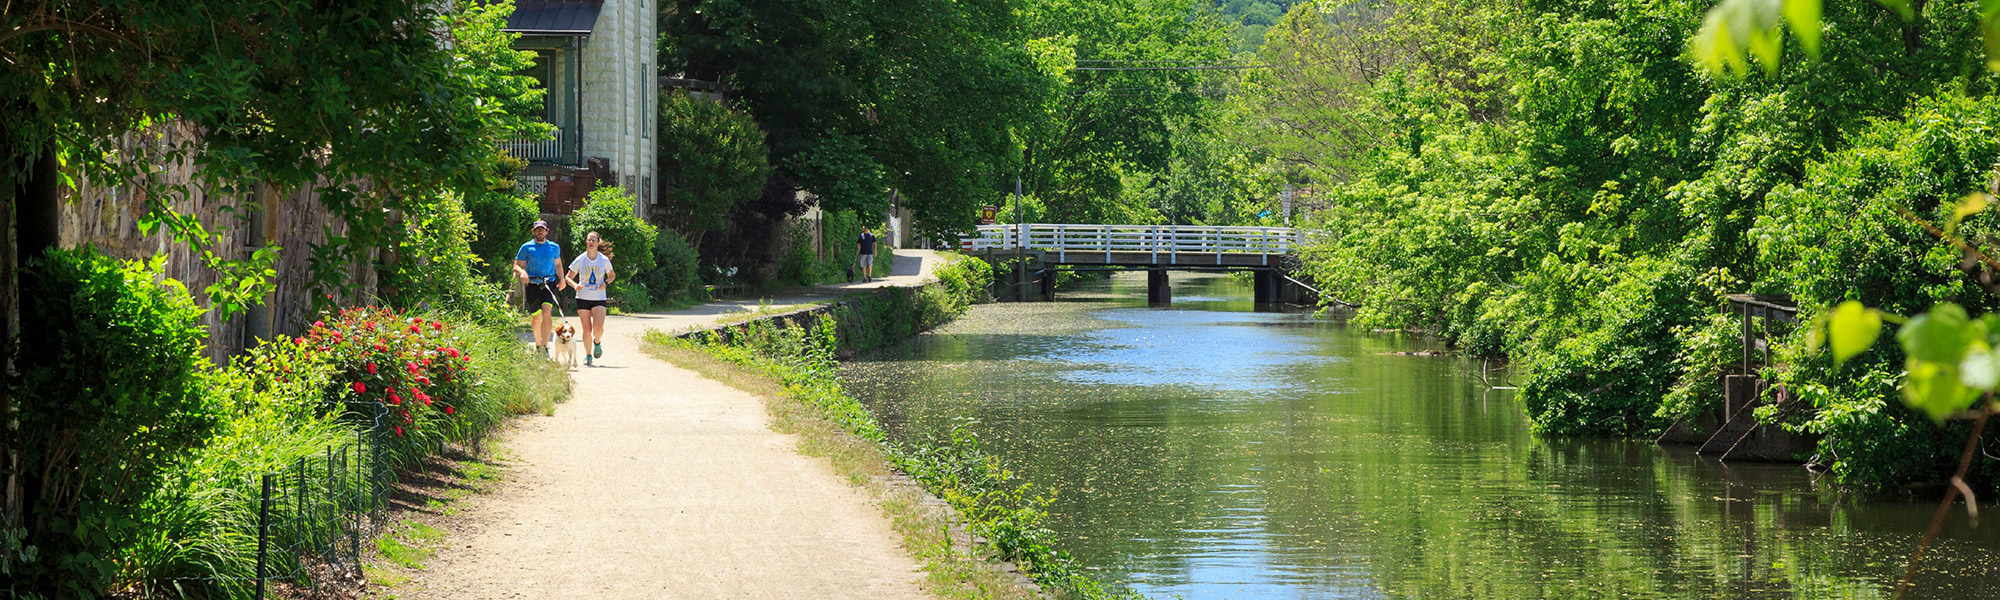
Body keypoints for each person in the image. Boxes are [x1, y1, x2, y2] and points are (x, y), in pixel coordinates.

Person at [513, 220, 566, 356]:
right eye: (537, 229)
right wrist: (523, 272)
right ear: (533, 231)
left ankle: (545, 346)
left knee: (547, 313)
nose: (540, 232)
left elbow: (558, 264)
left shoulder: (554, 247)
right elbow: (516, 265)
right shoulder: (526, 247)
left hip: (549, 283)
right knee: (536, 317)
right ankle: (538, 344)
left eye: (542, 229)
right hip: (532, 284)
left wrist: (562, 279)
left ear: (547, 231)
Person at [566, 231, 614, 366]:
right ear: (586, 242)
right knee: (586, 329)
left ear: (598, 243)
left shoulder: (603, 260)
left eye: (594, 240)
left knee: (597, 329)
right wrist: (575, 285)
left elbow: (612, 275)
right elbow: (568, 277)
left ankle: (597, 342)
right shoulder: (580, 260)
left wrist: (605, 283)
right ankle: (588, 355)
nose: (591, 242)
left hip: (599, 298)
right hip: (582, 298)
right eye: (589, 240)